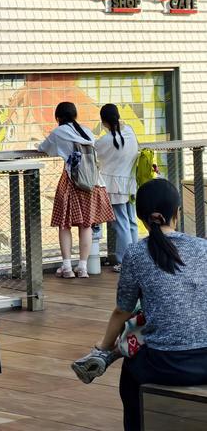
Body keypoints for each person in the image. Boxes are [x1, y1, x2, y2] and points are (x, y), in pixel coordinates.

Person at [72, 179, 207, 431]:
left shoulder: (135, 254)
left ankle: (136, 422)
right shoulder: (203, 248)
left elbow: (122, 310)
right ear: (177, 212)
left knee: (131, 370)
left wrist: (102, 347)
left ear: (141, 217)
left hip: (166, 363)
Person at [38, 101, 114, 278]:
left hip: (71, 182)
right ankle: (83, 267)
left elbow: (44, 149)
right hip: (92, 183)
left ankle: (66, 267)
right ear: (75, 115)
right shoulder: (86, 131)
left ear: (58, 117)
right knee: (86, 225)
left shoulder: (59, 132)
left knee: (65, 224)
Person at [95, 104, 139, 271]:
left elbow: (95, 154)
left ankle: (125, 261)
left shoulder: (104, 141)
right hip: (131, 183)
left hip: (114, 186)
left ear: (103, 121)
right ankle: (136, 258)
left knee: (121, 223)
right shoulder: (130, 132)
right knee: (131, 221)